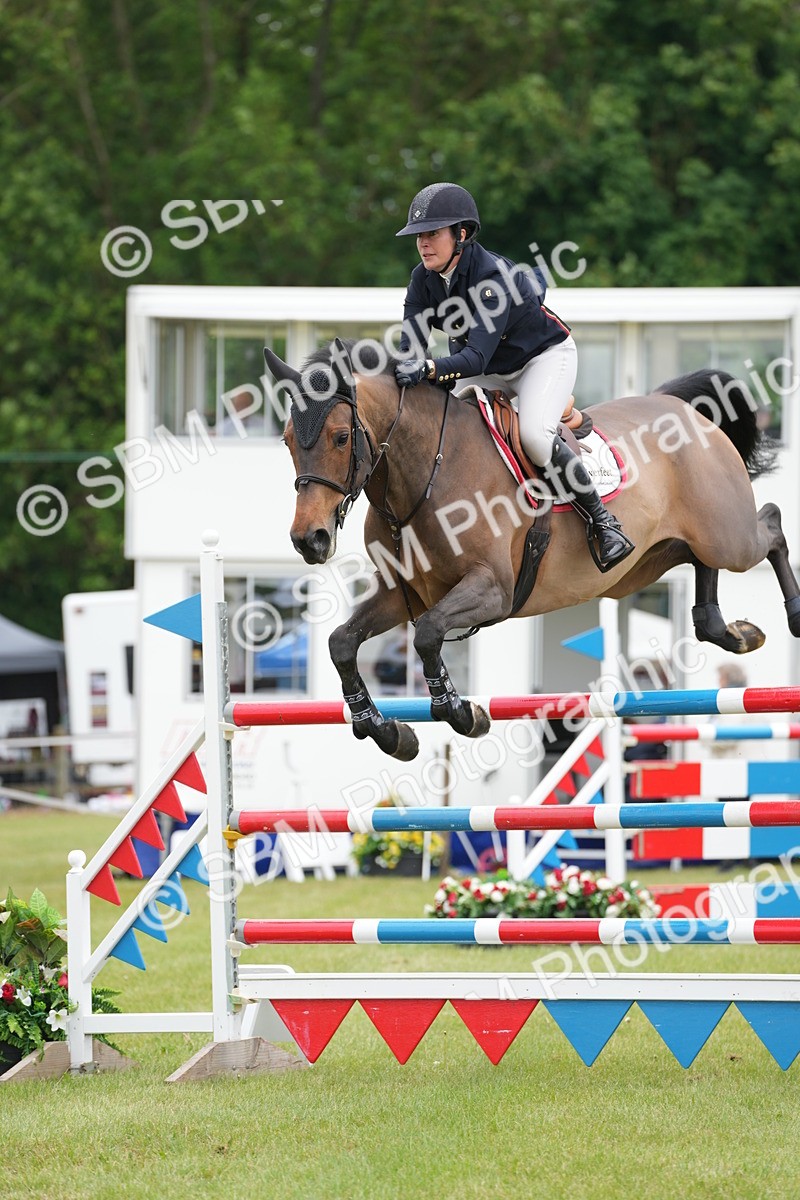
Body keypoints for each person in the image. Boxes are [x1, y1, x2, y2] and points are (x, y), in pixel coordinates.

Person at [393, 182, 634, 572]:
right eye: (420, 235)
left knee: (535, 437)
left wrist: (429, 368)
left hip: (542, 360)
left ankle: (604, 524)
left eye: (433, 233)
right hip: (489, 370)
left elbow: (473, 357)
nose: (423, 243)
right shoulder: (422, 279)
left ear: (462, 235)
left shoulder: (492, 279)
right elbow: (411, 349)